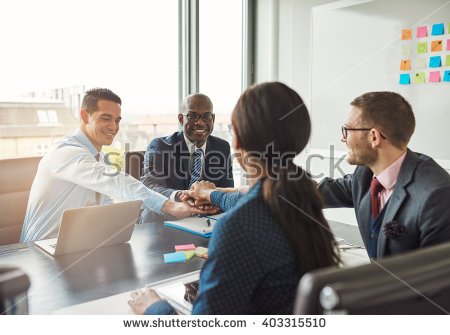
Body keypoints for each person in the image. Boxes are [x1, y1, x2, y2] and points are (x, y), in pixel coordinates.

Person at [128, 82, 340, 315]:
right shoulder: (305, 202)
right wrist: (227, 256)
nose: (200, 122)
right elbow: (240, 200)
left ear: (238, 141)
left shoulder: (237, 227)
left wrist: (153, 307)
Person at [21, 88, 208, 243]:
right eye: (106, 118)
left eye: (117, 120)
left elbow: (105, 205)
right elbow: (115, 181)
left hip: (78, 246)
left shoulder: (97, 156)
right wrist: (168, 205)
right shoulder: (65, 152)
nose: (114, 126)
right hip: (38, 249)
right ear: (85, 116)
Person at [318, 91, 450, 259]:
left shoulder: (436, 195)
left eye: (347, 130)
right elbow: (320, 192)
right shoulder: (365, 175)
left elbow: (435, 277)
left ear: (374, 136)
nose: (343, 138)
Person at [140, 93, 234, 204]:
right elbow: (149, 186)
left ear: (213, 119)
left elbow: (227, 191)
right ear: (181, 119)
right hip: (165, 217)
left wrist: (211, 202)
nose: (200, 122)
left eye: (206, 116)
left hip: (206, 218)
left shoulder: (222, 147)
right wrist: (183, 196)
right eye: (192, 116)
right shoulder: (160, 146)